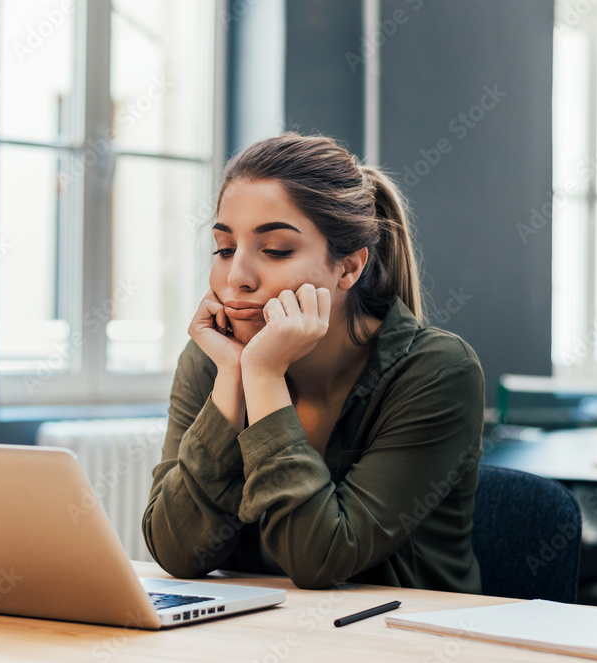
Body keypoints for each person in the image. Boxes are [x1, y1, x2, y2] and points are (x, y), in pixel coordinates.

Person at [141, 132, 485, 592]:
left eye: (276, 250)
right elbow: (176, 551)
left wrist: (261, 376)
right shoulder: (214, 360)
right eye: (225, 249)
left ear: (349, 267)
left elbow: (319, 559)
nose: (236, 277)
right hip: (254, 640)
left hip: (397, 644)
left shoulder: (438, 371)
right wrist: (232, 379)